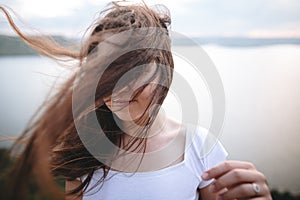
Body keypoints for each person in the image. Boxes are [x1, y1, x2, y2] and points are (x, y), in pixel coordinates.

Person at [0, 2, 272, 200]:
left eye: (132, 69)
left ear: (164, 70)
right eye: (104, 69)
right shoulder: (82, 149)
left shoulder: (200, 148)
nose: (116, 88)